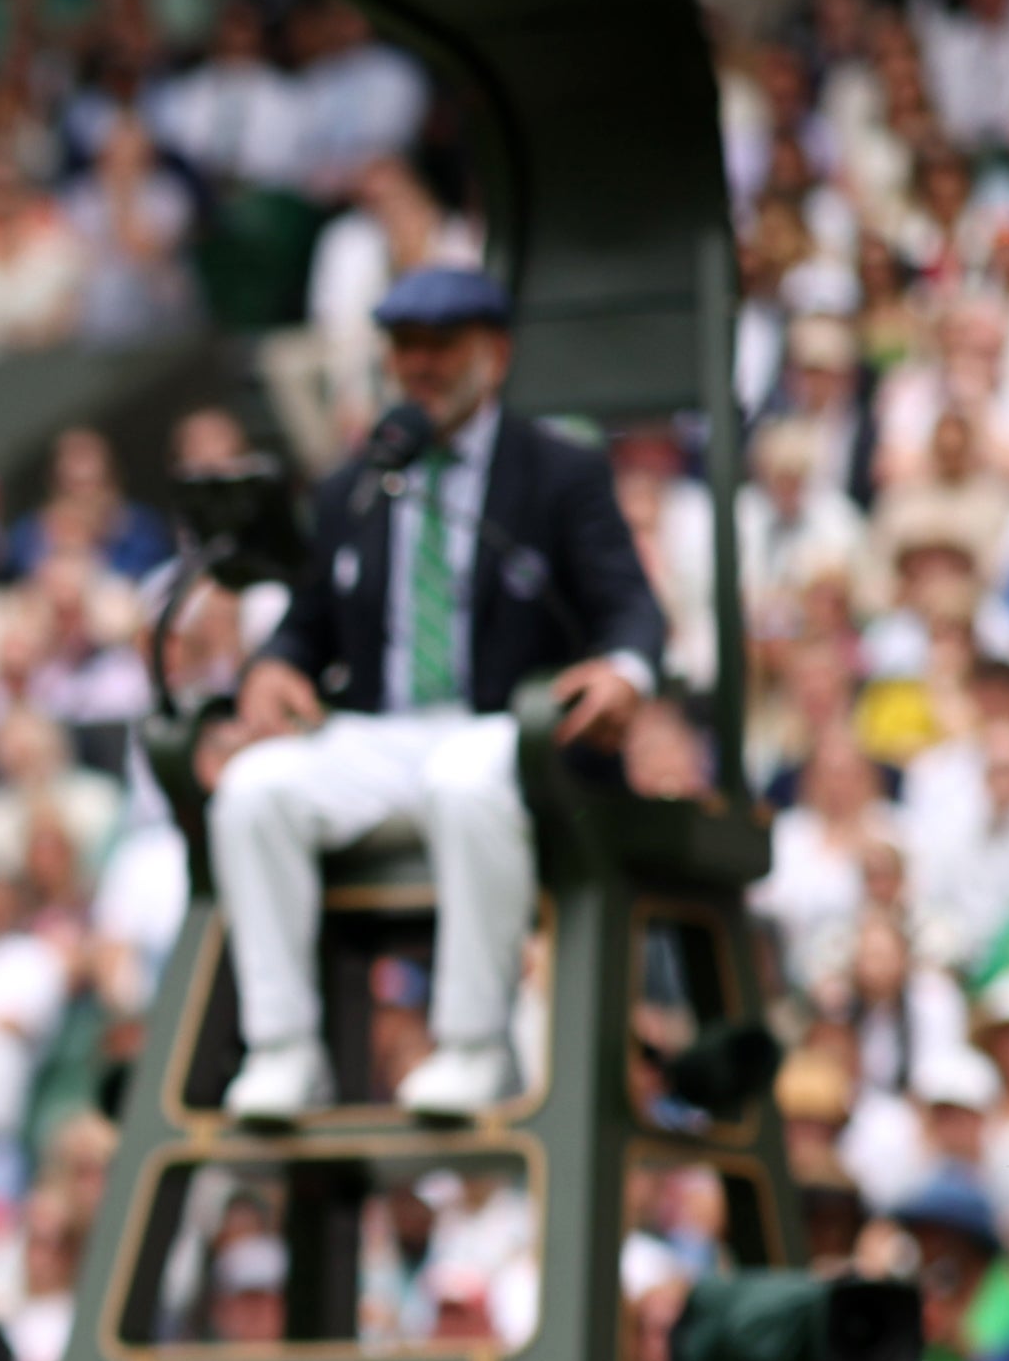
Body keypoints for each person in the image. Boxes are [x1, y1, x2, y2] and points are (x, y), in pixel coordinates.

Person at [211, 267, 668, 1123]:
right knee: (251, 793)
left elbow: (630, 605)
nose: (419, 365)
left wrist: (624, 673)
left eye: (440, 345)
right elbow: (305, 623)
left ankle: (471, 1045)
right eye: (404, 345)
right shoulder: (357, 478)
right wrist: (272, 667)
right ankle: (281, 1050)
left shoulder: (557, 470)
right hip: (381, 734)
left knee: (464, 778)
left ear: (492, 355)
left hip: (509, 729)